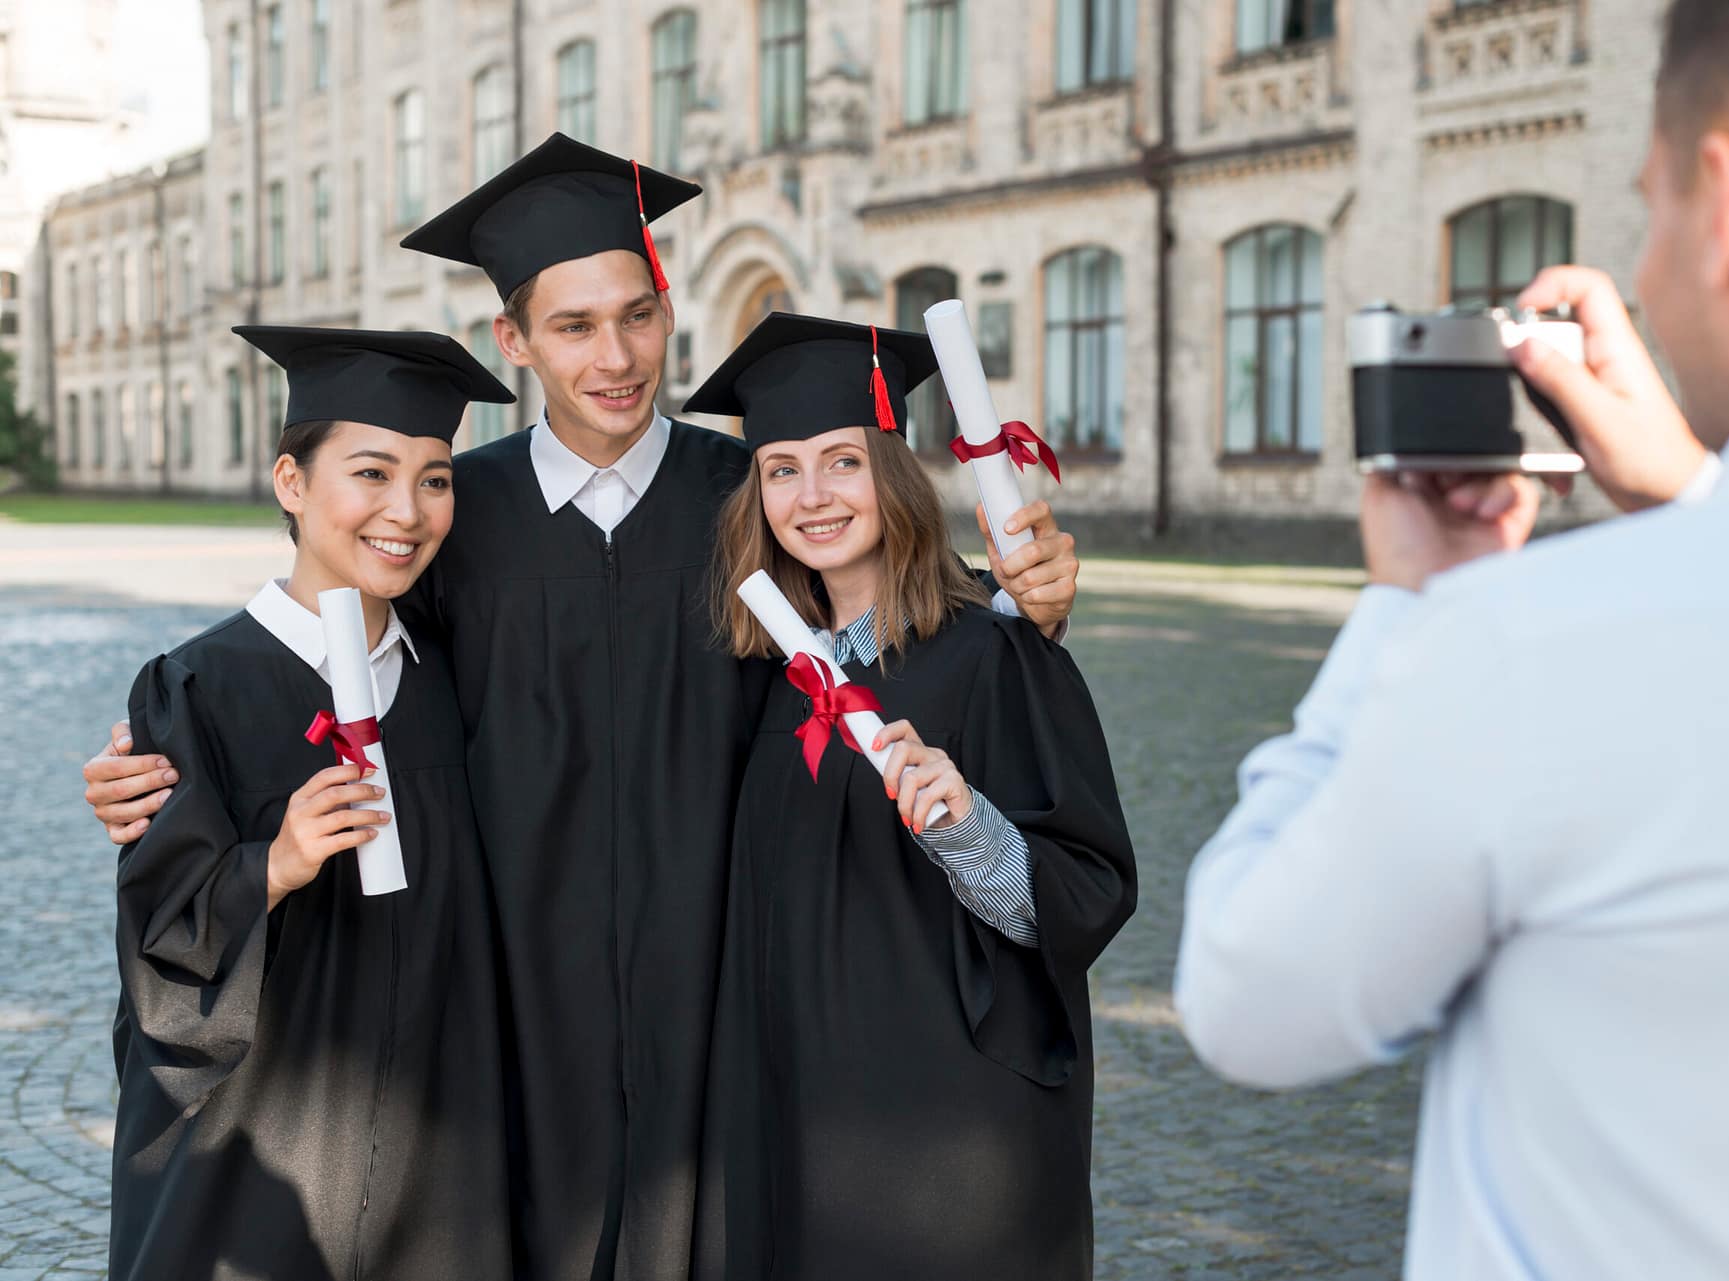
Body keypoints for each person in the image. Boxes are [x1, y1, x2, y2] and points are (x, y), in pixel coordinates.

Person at [85, 134, 1084, 1281]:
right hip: (504, 1017)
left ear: (668, 310)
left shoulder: (749, 501)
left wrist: (1028, 606)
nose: (616, 356)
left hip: (720, 1008)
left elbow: (900, 638)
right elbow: (338, 656)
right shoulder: (461, 515)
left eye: (639, 314)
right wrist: (162, 766)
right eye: (571, 326)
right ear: (510, 342)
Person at [1174, 1, 1729, 1277]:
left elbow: (1248, 999)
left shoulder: (1530, 647)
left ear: (1724, 201)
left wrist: (1414, 607)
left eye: (1651, 205)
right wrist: (1695, 493)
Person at [685, 314, 1136, 1281]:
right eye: (780, 470)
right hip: (799, 1107)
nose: (811, 497)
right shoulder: (766, 677)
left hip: (949, 1124)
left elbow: (1082, 891)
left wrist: (969, 825)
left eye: (841, 462)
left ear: (891, 474)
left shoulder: (991, 650)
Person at [111, 327, 517, 1280]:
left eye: (434, 478)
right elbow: (161, 950)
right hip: (268, 1142)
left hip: (437, 1143)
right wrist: (277, 862)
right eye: (370, 473)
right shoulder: (200, 687)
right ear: (291, 484)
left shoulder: (449, 679)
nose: (405, 511)